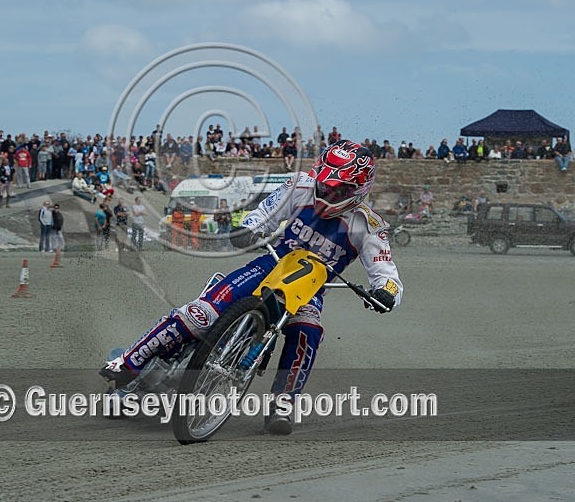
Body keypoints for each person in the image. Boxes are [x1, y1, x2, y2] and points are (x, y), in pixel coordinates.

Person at [101, 140, 403, 435]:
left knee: (307, 331)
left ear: (358, 189)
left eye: (338, 189)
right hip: (267, 266)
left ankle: (284, 403)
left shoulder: (370, 225)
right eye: (325, 184)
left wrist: (386, 292)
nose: (328, 191)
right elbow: (263, 216)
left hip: (308, 292)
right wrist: (247, 230)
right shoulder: (299, 186)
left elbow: (386, 273)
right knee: (200, 314)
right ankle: (130, 361)